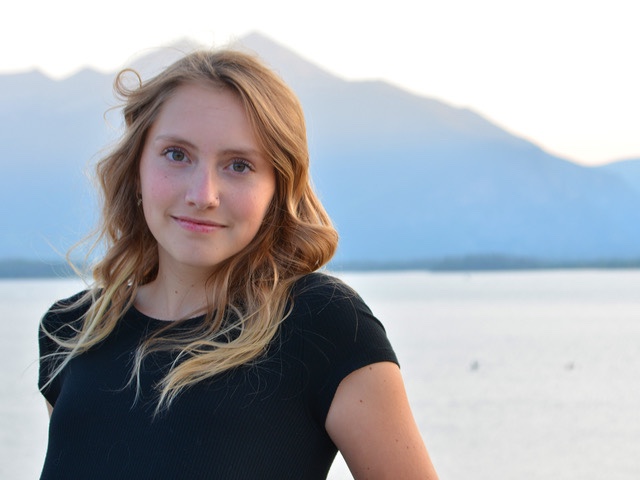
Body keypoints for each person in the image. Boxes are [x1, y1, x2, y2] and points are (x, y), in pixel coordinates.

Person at [38, 48, 439, 479]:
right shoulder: (72, 331)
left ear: (277, 189)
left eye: (239, 165)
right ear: (137, 168)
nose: (203, 195)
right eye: (176, 154)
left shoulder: (322, 325)